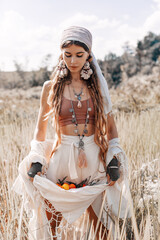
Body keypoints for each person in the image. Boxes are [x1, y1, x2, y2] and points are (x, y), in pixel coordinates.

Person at [12, 26, 131, 240]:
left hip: (93, 161)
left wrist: (113, 159)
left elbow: (112, 129)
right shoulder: (51, 87)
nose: (73, 61)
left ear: (89, 55)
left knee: (100, 226)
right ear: (61, 54)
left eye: (79, 55)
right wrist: (37, 159)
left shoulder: (98, 87)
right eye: (67, 55)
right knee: (52, 223)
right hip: (61, 162)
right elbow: (40, 129)